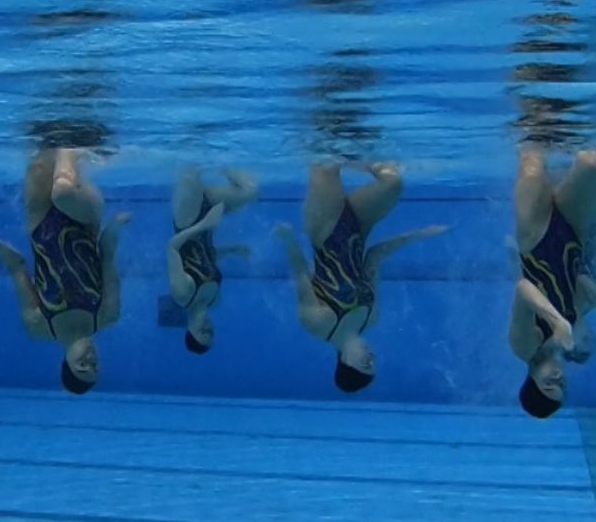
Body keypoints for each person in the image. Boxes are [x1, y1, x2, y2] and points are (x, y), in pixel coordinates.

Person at [0, 147, 129, 395]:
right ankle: (75, 150)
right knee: (63, 191)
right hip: (85, 220)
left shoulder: (38, 325)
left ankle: (73, 146)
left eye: (82, 365)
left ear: (66, 364)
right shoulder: (107, 315)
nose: (90, 358)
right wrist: (115, 227)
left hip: (40, 223)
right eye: (95, 365)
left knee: (40, 160)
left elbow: (16, 264)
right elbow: (107, 256)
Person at [273, 162, 447, 393]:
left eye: (365, 364)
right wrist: (419, 235)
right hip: (360, 228)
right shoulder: (371, 316)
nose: (371, 357)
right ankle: (358, 152)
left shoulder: (319, 323)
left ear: (345, 361)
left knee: (326, 162)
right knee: (392, 183)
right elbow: (374, 257)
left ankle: (341, 142)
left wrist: (288, 240)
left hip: (324, 228)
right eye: (374, 364)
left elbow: (301, 274)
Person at [509, 145, 596, 419]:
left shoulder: (524, 347)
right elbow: (583, 282)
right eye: (562, 384)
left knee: (533, 154)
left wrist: (557, 321)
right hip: (572, 234)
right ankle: (566, 122)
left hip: (534, 235)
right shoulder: (567, 335)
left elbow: (523, 289)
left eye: (549, 383)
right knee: (593, 162)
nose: (558, 376)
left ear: (532, 381)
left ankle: (533, 116)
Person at [166, 167, 260, 354]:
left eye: (202, 331)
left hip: (187, 219)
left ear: (189, 330)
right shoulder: (214, 300)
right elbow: (205, 261)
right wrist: (233, 250)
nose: (208, 326)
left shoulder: (183, 294)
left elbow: (173, 247)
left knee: (191, 166)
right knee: (250, 191)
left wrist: (204, 225)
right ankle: (222, 161)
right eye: (211, 331)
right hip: (208, 219)